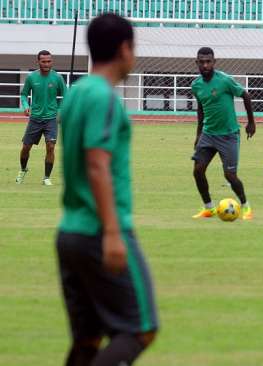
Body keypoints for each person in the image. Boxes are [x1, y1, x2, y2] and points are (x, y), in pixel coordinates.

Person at [56, 13, 158, 365]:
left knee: (87, 339)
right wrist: (113, 233)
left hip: (69, 231)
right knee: (140, 329)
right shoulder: (105, 98)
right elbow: (97, 164)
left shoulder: (76, 93)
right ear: (124, 48)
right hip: (100, 231)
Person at [191, 47, 256, 220]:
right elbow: (201, 109)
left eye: (208, 61)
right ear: (196, 63)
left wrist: (251, 122)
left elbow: (246, 96)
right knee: (198, 170)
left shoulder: (225, 80)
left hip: (228, 135)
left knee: (229, 175)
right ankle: (209, 208)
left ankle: (245, 206)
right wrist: (198, 134)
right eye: (202, 62)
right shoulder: (196, 85)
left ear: (214, 62)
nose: (205, 65)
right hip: (208, 133)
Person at [16, 50, 67, 185]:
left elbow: (67, 97)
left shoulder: (57, 78)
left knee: (50, 147)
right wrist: (26, 106)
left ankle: (46, 178)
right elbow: (23, 95)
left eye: (49, 61)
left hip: (51, 119)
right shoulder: (31, 77)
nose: (46, 64)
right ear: (38, 62)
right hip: (35, 119)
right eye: (43, 61)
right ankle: (23, 170)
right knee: (26, 148)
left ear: (52, 61)